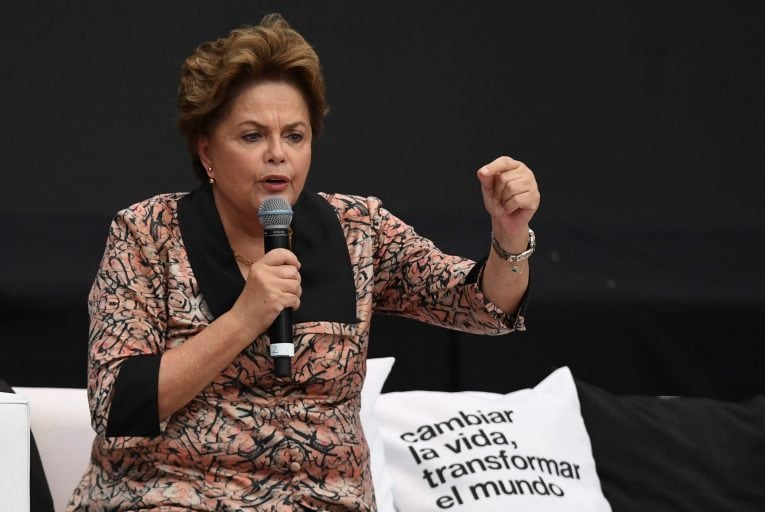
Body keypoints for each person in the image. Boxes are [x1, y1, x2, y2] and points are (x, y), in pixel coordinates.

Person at [67, 13, 540, 512]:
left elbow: (483, 308)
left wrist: (510, 234)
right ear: (205, 149)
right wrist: (244, 319)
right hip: (172, 497)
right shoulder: (147, 233)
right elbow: (118, 404)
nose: (278, 155)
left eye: (294, 136)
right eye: (252, 136)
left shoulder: (360, 227)